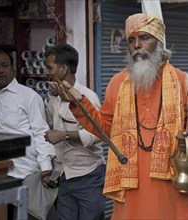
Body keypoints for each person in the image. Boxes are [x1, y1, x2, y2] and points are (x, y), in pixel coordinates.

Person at [49, 13, 188, 219]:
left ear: (159, 42)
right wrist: (78, 102)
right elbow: (106, 128)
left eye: (145, 38)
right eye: (131, 40)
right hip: (131, 189)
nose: (137, 45)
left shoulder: (187, 83)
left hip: (175, 190)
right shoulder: (117, 84)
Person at [0, 49, 57, 219]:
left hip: (21, 172)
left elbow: (40, 132)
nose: (0, 71)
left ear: (12, 68)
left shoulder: (28, 96)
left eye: (5, 65)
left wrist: (45, 170)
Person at [44, 44, 106, 220]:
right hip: (64, 176)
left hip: (88, 175)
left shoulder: (87, 97)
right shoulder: (53, 101)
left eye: (50, 67)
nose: (47, 72)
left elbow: (99, 134)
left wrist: (64, 135)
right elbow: (49, 131)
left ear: (64, 69)